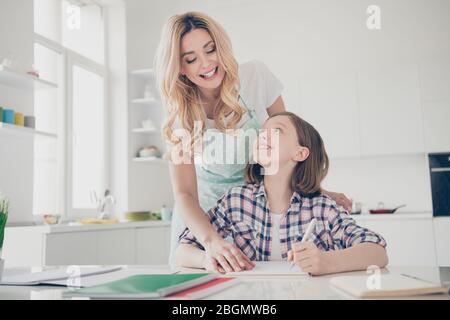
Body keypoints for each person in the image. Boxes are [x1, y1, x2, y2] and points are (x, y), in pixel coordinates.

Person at [154, 11, 353, 271]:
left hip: (253, 213)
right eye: (191, 59)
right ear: (179, 67)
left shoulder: (254, 76)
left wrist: (317, 191)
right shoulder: (180, 114)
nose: (206, 63)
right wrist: (211, 240)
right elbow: (184, 193)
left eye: (210, 49)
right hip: (201, 222)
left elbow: (290, 143)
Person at [175, 112, 388, 275]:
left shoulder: (322, 207)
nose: (262, 136)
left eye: (276, 130)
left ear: (300, 153)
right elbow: (183, 251)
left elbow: (378, 252)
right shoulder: (237, 201)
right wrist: (207, 260)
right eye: (262, 131)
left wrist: (325, 262)